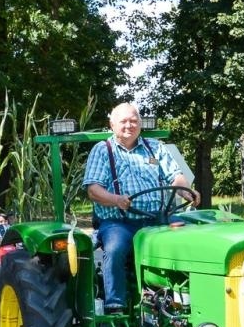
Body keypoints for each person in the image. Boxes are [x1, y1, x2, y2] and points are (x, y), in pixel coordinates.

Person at [83, 102, 197, 313]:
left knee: (192, 240)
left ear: (140, 124)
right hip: (119, 221)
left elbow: (175, 176)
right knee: (115, 248)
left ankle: (187, 299)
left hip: (157, 220)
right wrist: (116, 199)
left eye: (134, 121)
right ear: (112, 124)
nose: (129, 125)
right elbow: (93, 190)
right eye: (124, 121)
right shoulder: (103, 150)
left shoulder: (155, 147)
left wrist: (186, 191)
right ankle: (114, 304)